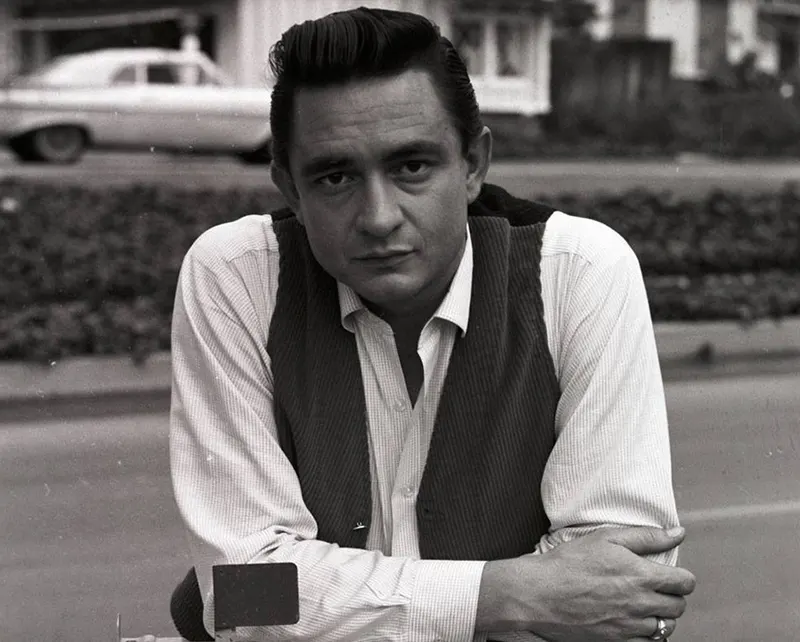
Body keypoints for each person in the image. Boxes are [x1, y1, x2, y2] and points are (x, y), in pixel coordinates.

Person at [169, 7, 696, 642]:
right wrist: (500, 596)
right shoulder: (238, 276)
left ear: (473, 164)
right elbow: (241, 593)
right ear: (289, 189)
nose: (379, 217)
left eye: (412, 167)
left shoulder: (577, 271)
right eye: (335, 177)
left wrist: (332, 607)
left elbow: (618, 592)